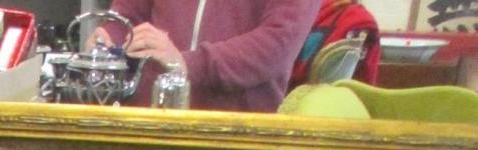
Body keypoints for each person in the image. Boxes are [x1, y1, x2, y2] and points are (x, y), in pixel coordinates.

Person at [98, 0, 320, 112]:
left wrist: (188, 64)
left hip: (237, 139)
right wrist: (108, 37)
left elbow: (277, 44)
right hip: (150, 125)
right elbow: (127, 15)